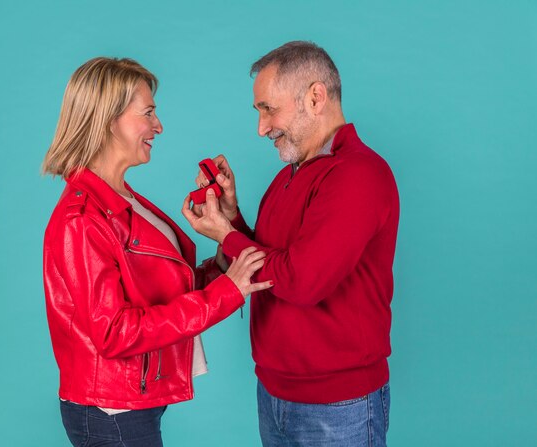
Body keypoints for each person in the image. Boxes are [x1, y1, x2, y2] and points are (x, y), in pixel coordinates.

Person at [41, 57, 272, 447]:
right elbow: (114, 332)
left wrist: (224, 260)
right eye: (147, 113)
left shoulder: (124, 199)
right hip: (109, 410)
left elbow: (162, 290)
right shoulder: (81, 218)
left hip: (131, 401)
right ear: (108, 118)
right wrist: (225, 293)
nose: (158, 126)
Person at [182, 41, 400, 446]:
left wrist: (225, 235)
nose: (261, 128)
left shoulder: (358, 175)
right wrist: (231, 218)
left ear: (316, 97)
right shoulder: (290, 176)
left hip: (339, 406)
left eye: (269, 108)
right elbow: (270, 264)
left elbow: (302, 279)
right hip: (274, 394)